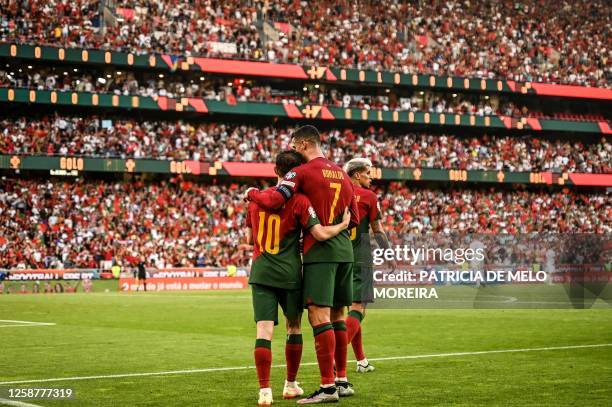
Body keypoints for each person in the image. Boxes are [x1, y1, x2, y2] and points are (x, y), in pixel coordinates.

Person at [246, 125, 359, 404]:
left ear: (306, 143)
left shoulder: (301, 172)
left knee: (318, 318)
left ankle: (328, 387)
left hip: (320, 252)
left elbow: (274, 198)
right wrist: (340, 225)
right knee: (339, 316)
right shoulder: (344, 175)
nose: (294, 151)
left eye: (295, 145)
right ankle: (342, 379)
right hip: (345, 251)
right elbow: (354, 218)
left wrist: (251, 193)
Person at [343, 157, 393, 374]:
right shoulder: (368, 197)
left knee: (351, 309)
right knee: (358, 309)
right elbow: (378, 230)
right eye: (368, 173)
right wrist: (388, 253)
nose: (371, 178)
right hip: (360, 257)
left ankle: (361, 360)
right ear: (356, 174)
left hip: (338, 257)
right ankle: (335, 355)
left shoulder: (337, 193)